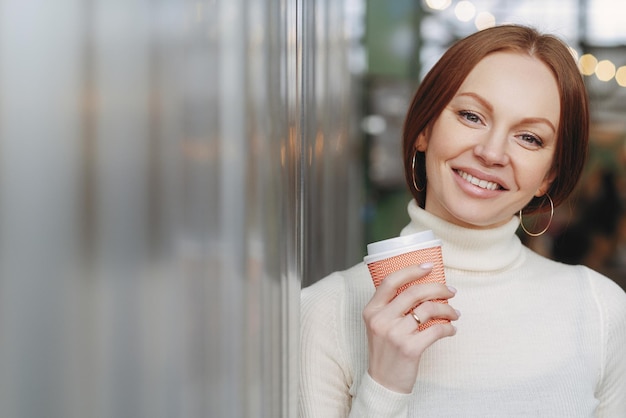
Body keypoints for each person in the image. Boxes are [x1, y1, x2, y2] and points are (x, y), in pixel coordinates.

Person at [299, 24, 626, 417]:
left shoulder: (600, 311)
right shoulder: (326, 311)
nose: (491, 153)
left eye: (529, 138)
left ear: (548, 176)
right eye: (471, 116)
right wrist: (385, 386)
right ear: (424, 128)